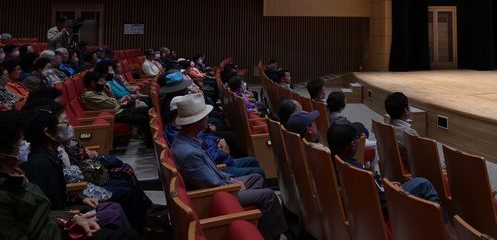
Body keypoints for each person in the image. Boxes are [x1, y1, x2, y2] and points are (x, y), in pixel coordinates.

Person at [0, 110, 140, 240]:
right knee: (124, 227)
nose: (25, 144)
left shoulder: (17, 173)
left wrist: (72, 216)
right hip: (56, 230)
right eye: (21, 140)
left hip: (61, 219)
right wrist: (67, 222)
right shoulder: (38, 166)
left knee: (121, 209)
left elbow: (45, 212)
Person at [171, 93, 287, 240]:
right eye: (204, 116)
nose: (207, 118)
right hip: (217, 194)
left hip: (221, 184)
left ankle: (261, 224)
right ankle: (270, 235)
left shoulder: (188, 139)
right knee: (269, 196)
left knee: (256, 177)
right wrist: (232, 183)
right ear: (196, 121)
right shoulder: (187, 152)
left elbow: (211, 171)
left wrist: (231, 179)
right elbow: (209, 183)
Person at [327, 122, 442, 216]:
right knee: (423, 183)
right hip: (387, 206)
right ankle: (440, 225)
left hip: (378, 197)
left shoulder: (334, 161)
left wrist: (385, 186)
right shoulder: (357, 172)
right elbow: (382, 203)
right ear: (352, 145)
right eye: (358, 140)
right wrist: (393, 189)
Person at [384, 91, 417, 164]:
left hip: (393, 168)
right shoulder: (410, 133)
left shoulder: (385, 129)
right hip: (410, 171)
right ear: (406, 111)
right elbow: (419, 158)